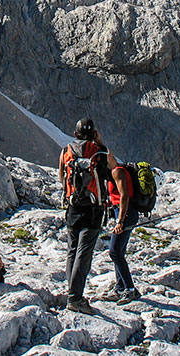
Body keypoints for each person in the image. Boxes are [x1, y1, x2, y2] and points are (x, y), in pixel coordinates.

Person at [59, 118, 116, 315]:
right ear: (93, 134)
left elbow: (62, 176)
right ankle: (75, 298)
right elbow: (114, 167)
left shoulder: (66, 150)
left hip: (73, 207)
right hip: (94, 209)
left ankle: (72, 292)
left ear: (75, 134)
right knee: (84, 252)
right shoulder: (99, 151)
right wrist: (100, 143)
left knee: (72, 251)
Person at [107, 163, 140, 303]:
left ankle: (130, 289)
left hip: (125, 214)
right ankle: (120, 287)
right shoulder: (116, 170)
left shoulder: (117, 171)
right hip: (124, 212)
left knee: (114, 251)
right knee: (119, 251)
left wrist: (120, 221)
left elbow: (124, 196)